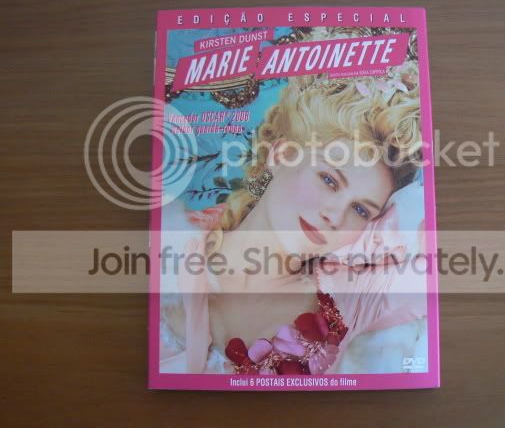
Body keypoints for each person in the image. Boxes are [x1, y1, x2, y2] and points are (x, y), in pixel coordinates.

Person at [160, 44, 426, 375]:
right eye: (329, 180)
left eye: (360, 209)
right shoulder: (168, 243)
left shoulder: (353, 296)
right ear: (282, 155)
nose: (334, 216)